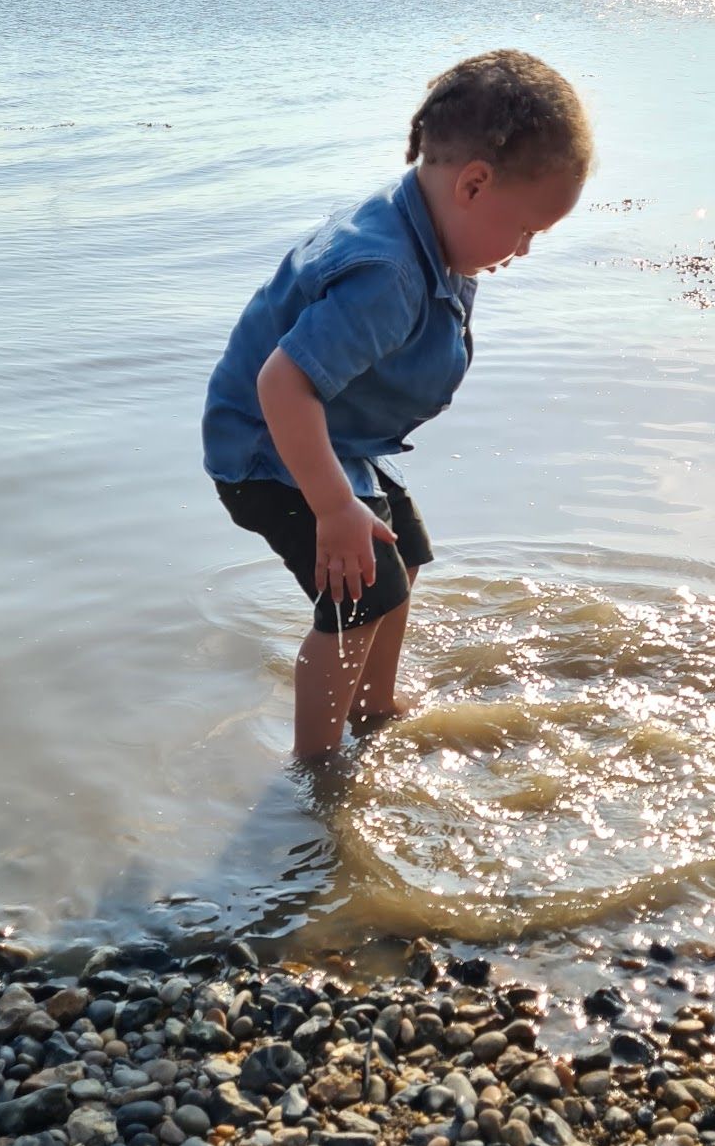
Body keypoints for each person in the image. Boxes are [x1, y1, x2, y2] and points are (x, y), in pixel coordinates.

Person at [203, 49, 593, 760]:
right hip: (268, 448)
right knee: (359, 596)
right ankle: (318, 774)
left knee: (401, 553)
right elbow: (281, 386)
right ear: (474, 184)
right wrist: (332, 509)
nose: (527, 250)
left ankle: (373, 709)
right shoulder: (386, 273)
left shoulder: (435, 223)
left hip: (335, 437)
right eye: (528, 230)